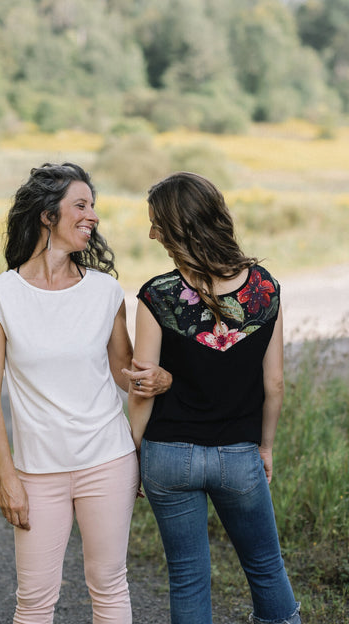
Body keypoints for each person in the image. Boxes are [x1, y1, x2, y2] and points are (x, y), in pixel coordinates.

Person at [0, 162, 172, 624]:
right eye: (80, 206)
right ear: (48, 215)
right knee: (35, 600)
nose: (93, 216)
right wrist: (7, 478)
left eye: (94, 207)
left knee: (109, 587)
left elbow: (126, 372)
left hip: (107, 461)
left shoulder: (105, 291)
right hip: (36, 473)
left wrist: (159, 378)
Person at [124, 172, 301, 624]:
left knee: (187, 578)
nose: (151, 234)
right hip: (238, 455)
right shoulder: (264, 290)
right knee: (265, 569)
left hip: (167, 455)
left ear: (181, 225)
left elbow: (142, 388)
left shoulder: (157, 295)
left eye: (157, 223)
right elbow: (274, 384)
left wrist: (134, 453)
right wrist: (266, 446)